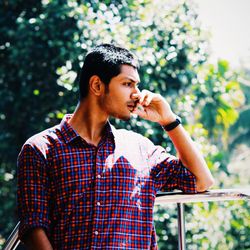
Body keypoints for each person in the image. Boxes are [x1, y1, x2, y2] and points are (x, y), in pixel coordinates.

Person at [17, 43, 214, 250]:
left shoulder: (141, 149)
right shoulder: (40, 149)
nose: (137, 94)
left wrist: (169, 120)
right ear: (97, 86)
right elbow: (33, 228)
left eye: (136, 85)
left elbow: (201, 180)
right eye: (128, 84)